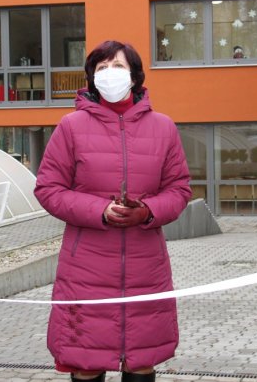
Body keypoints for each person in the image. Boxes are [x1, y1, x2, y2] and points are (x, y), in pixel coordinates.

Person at [34, 40, 192, 382]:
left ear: (134, 76)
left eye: (118, 66)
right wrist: (99, 210)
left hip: (145, 267)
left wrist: (147, 211)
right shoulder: (71, 126)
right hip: (85, 268)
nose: (110, 74)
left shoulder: (163, 127)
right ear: (92, 78)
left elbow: (179, 190)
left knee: (141, 359)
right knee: (86, 361)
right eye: (101, 68)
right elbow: (48, 189)